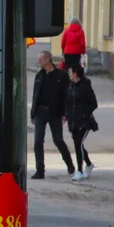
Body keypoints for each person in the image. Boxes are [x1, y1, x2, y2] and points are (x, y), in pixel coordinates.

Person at [30, 51, 75, 179]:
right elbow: (35, 95)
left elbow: (66, 96)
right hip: (40, 112)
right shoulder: (39, 75)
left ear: (48, 60)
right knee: (38, 141)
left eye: (40, 59)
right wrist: (33, 113)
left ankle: (69, 163)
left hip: (55, 112)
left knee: (58, 140)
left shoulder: (61, 75)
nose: (39, 62)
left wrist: (65, 113)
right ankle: (40, 170)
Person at [65, 64, 99, 182]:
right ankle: (89, 164)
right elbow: (67, 102)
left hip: (84, 122)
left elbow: (94, 104)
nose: (69, 74)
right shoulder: (70, 86)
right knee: (78, 144)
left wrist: (85, 114)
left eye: (70, 72)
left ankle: (79, 170)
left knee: (78, 144)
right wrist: (65, 115)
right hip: (72, 120)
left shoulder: (85, 86)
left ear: (75, 74)